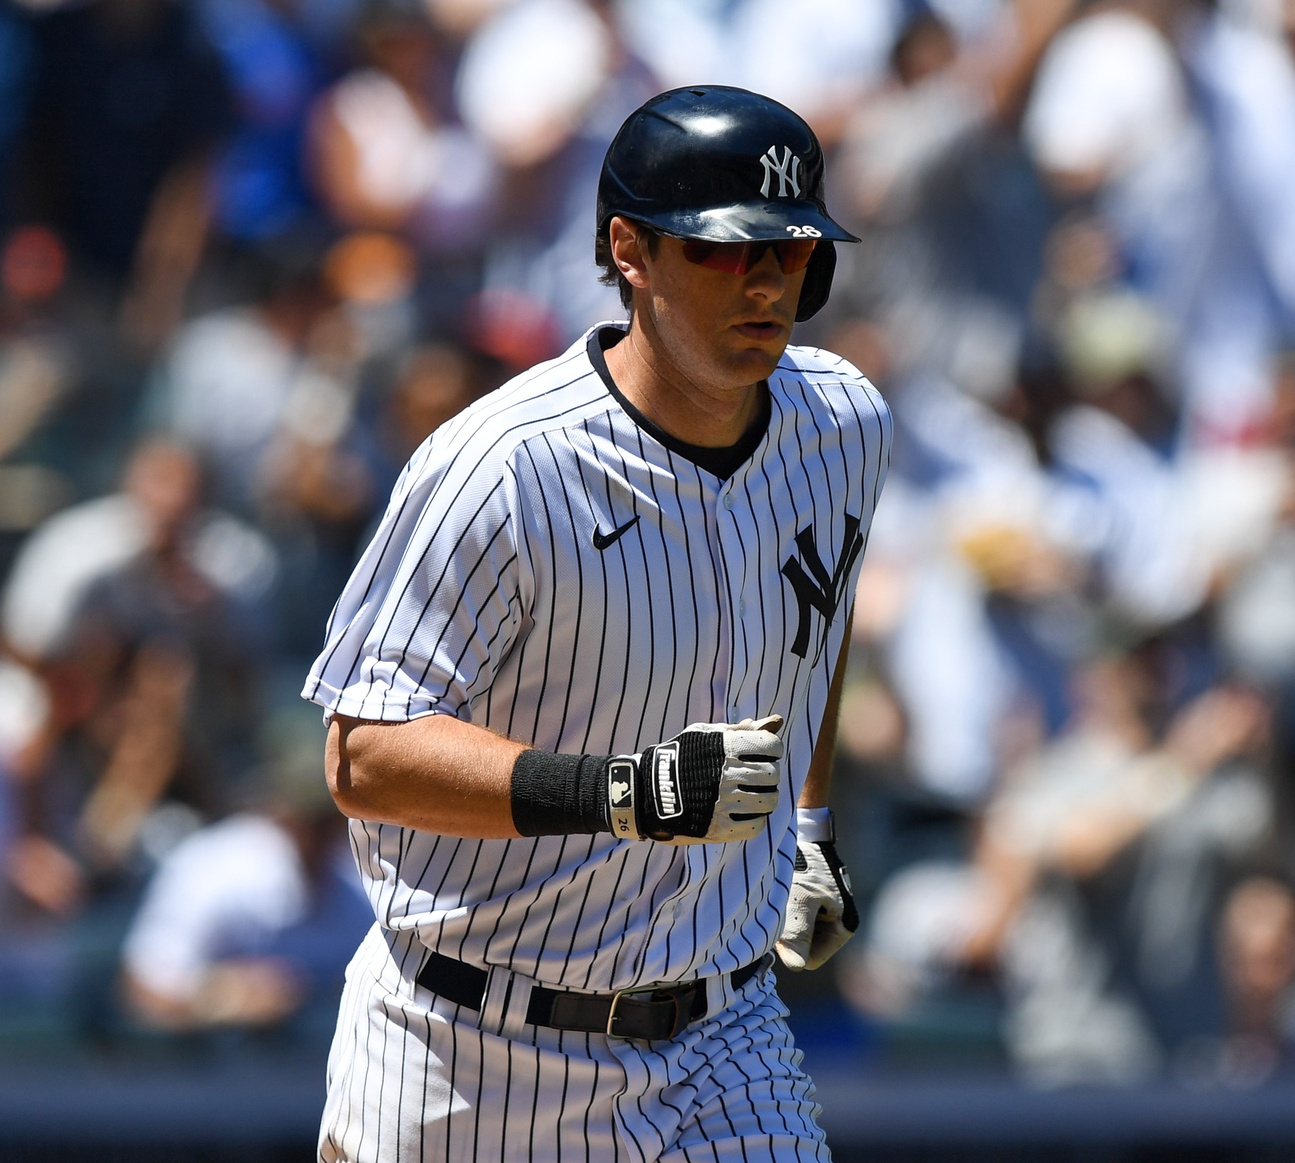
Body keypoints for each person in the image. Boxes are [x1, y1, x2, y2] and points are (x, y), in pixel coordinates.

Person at [302, 86, 890, 1161]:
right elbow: (364, 752)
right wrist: (624, 791)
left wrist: (805, 825)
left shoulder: (843, 423)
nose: (764, 281)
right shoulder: (503, 466)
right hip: (469, 1041)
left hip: (722, 1036)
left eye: (791, 250)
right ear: (629, 248)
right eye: (721, 252)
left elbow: (823, 607)